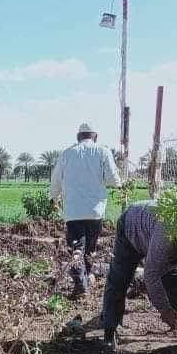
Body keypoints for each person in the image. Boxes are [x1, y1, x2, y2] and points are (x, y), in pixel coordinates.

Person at [101, 201, 177, 353]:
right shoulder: (167, 236)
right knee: (120, 279)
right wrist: (164, 309)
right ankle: (109, 331)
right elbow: (151, 274)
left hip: (151, 235)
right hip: (131, 228)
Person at [50, 123, 121, 296]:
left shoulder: (67, 153)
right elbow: (113, 180)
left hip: (73, 211)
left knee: (77, 248)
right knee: (90, 248)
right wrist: (120, 184)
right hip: (95, 211)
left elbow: (56, 179)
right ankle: (86, 277)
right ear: (95, 136)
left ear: (78, 137)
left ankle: (81, 284)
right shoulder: (103, 152)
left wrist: (53, 198)